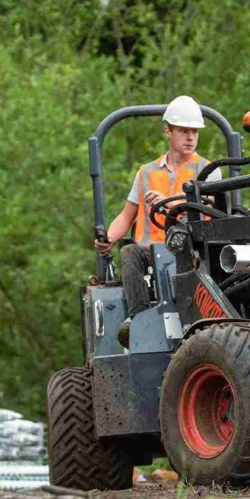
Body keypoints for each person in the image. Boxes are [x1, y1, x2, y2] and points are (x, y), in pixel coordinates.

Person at [94, 95, 221, 347]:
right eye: (183, 130)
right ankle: (139, 320)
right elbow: (126, 215)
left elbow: (210, 210)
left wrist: (168, 202)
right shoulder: (146, 172)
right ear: (167, 131)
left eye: (194, 131)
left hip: (190, 252)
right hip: (151, 252)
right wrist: (108, 238)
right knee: (129, 252)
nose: (190, 137)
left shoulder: (208, 171)